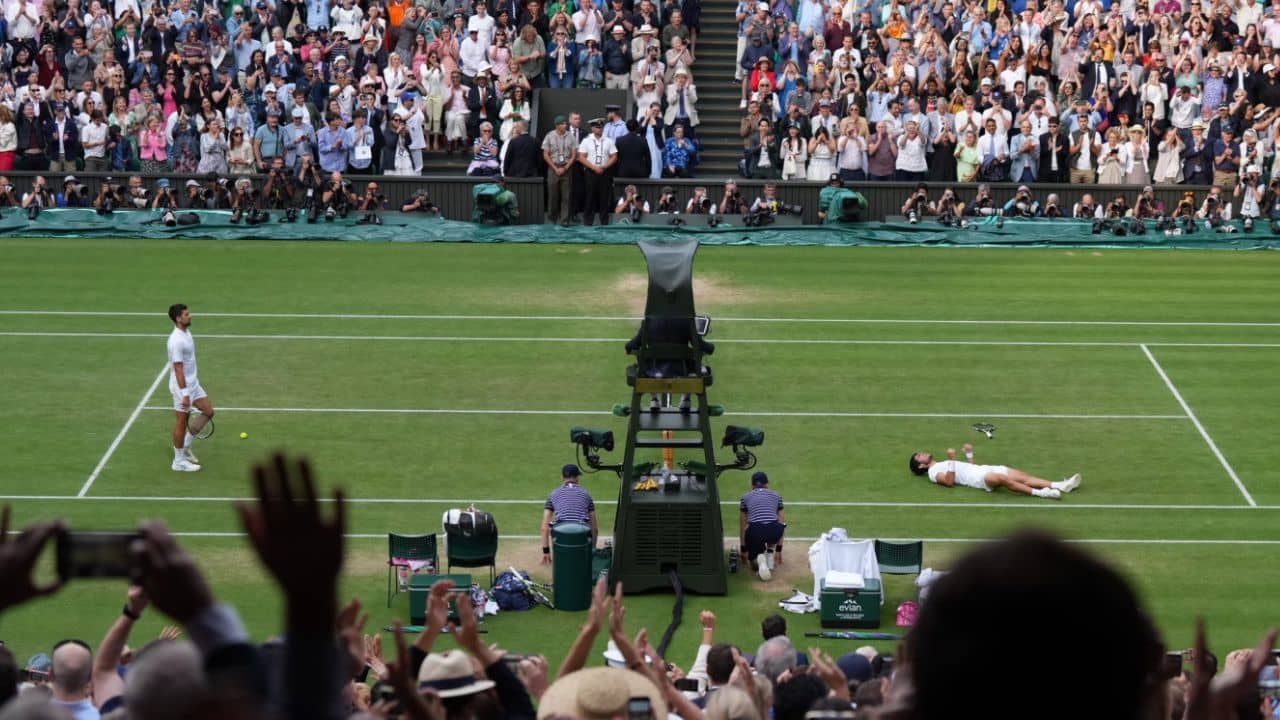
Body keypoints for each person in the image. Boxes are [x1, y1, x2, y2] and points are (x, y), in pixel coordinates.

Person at [908, 443, 1080, 499]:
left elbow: (969, 467)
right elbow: (949, 482)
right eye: (919, 457)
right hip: (981, 479)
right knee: (1004, 480)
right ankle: (1043, 493)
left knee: (1024, 477)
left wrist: (969, 454)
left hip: (984, 469)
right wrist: (952, 459)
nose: (922, 453)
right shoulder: (932, 473)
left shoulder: (943, 462)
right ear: (922, 466)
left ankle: (1061, 485)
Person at [167, 303, 213, 472]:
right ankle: (178, 462)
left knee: (208, 411)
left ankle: (185, 446)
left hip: (193, 383)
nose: (190, 315)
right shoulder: (176, 341)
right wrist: (185, 394)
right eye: (186, 314)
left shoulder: (186, 332)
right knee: (181, 422)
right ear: (178, 318)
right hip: (182, 388)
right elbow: (178, 369)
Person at [540, 464, 597, 564]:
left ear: (562, 478)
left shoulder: (553, 494)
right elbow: (594, 528)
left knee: (553, 524)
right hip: (581, 536)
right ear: (577, 478)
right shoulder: (586, 494)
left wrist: (546, 551)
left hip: (561, 537)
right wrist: (592, 551)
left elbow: (544, 528)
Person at [740, 471, 785, 581]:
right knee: (775, 525)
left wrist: (743, 549)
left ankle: (757, 558)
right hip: (774, 532)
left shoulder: (745, 497)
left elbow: (742, 525)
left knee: (753, 565)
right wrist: (779, 549)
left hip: (755, 533)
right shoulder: (777, 495)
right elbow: (782, 522)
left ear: (752, 485)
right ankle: (770, 552)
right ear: (767, 484)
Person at [577, 116, 617, 226]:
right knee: (590, 196)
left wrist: (604, 166)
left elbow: (614, 156)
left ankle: (604, 222)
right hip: (591, 172)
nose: (600, 129)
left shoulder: (609, 140)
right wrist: (594, 167)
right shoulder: (586, 141)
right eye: (597, 127)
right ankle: (588, 222)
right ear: (592, 128)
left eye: (601, 127)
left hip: (604, 172)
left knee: (604, 197)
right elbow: (581, 157)